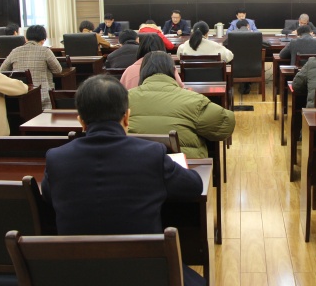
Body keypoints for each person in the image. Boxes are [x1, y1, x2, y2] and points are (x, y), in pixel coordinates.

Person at [41, 75, 205, 286]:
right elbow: (194, 186)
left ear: (81, 121)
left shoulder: (56, 158)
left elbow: (48, 196)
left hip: (77, 274)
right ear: (127, 117)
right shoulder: (151, 154)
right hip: (144, 273)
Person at [128, 51, 235, 159]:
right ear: (174, 71)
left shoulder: (125, 98)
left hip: (136, 165)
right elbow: (226, 124)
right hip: (184, 167)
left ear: (142, 73)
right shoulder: (193, 100)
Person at [1, 25, 62, 109]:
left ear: (26, 38)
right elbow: (58, 70)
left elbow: (2, 71)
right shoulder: (45, 51)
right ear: (43, 40)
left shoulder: (15, 51)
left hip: (19, 97)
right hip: (42, 98)